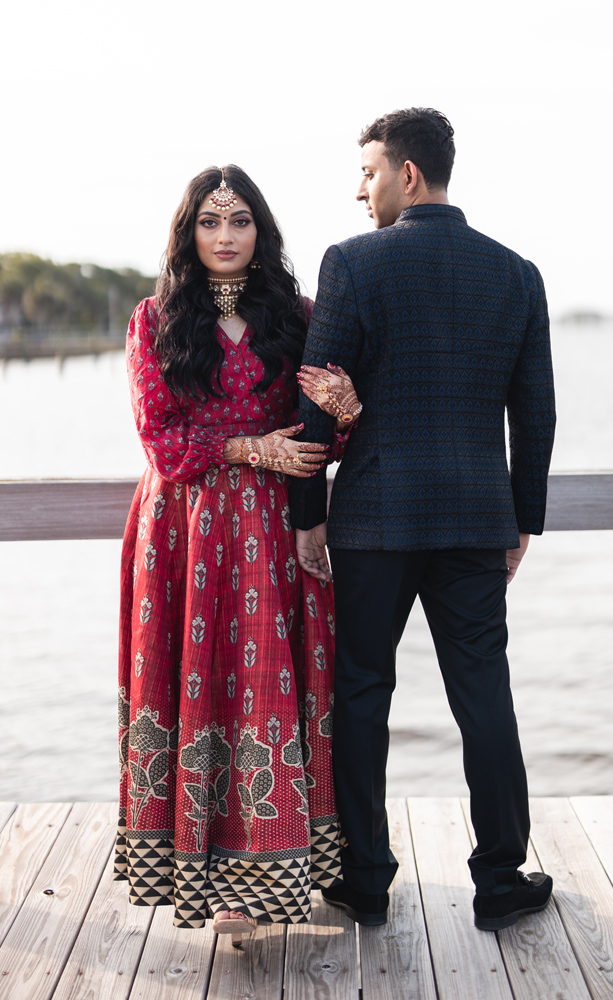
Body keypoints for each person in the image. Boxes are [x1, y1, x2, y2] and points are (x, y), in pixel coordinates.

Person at [290, 108, 557, 931]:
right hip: (476, 519)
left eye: (367, 171)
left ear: (407, 175)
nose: (358, 187)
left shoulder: (352, 264)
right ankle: (500, 878)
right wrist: (523, 521)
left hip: (371, 519)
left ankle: (366, 880)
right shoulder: (515, 274)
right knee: (484, 694)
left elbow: (313, 400)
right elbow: (536, 414)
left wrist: (308, 518)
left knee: (363, 695)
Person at [113, 165, 361, 943]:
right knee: (195, 691)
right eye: (210, 222)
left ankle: (277, 872)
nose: (225, 237)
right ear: (188, 233)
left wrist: (349, 414)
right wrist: (251, 446)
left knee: (268, 688)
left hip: (277, 533)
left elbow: (325, 431)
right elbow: (160, 436)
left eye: (241, 221)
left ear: (262, 230)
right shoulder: (154, 319)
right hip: (184, 528)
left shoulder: (300, 315)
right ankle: (210, 877)